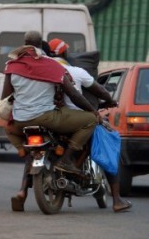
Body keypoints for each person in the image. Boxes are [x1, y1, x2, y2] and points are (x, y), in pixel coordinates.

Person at [2, 31, 100, 206]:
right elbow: (74, 95)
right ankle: (66, 160)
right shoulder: (52, 66)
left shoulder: (12, 66)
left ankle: (21, 151)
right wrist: (92, 110)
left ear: (24, 43)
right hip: (47, 118)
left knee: (10, 130)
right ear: (42, 44)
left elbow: (5, 97)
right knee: (89, 120)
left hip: (21, 122)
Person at [45, 38, 132, 213]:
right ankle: (116, 200)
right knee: (107, 145)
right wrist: (109, 99)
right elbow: (98, 90)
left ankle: (22, 192)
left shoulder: (43, 71)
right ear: (65, 53)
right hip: (76, 120)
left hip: (48, 121)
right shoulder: (76, 71)